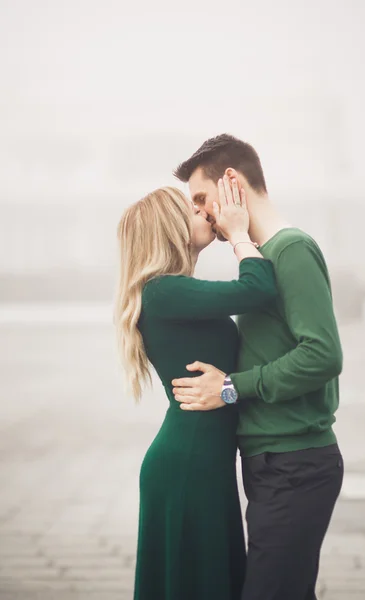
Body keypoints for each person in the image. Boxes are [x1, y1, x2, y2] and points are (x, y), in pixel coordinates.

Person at [172, 134, 344, 600]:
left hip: (297, 463)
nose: (203, 212)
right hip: (273, 462)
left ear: (233, 182)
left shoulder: (290, 250)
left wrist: (229, 387)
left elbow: (323, 355)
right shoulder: (261, 258)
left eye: (203, 198)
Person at [115, 182, 278, 600]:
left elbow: (225, 385)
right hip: (189, 466)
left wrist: (229, 390)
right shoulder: (164, 290)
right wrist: (239, 232)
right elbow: (258, 289)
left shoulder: (171, 293)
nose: (204, 213)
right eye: (191, 211)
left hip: (202, 461)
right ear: (170, 229)